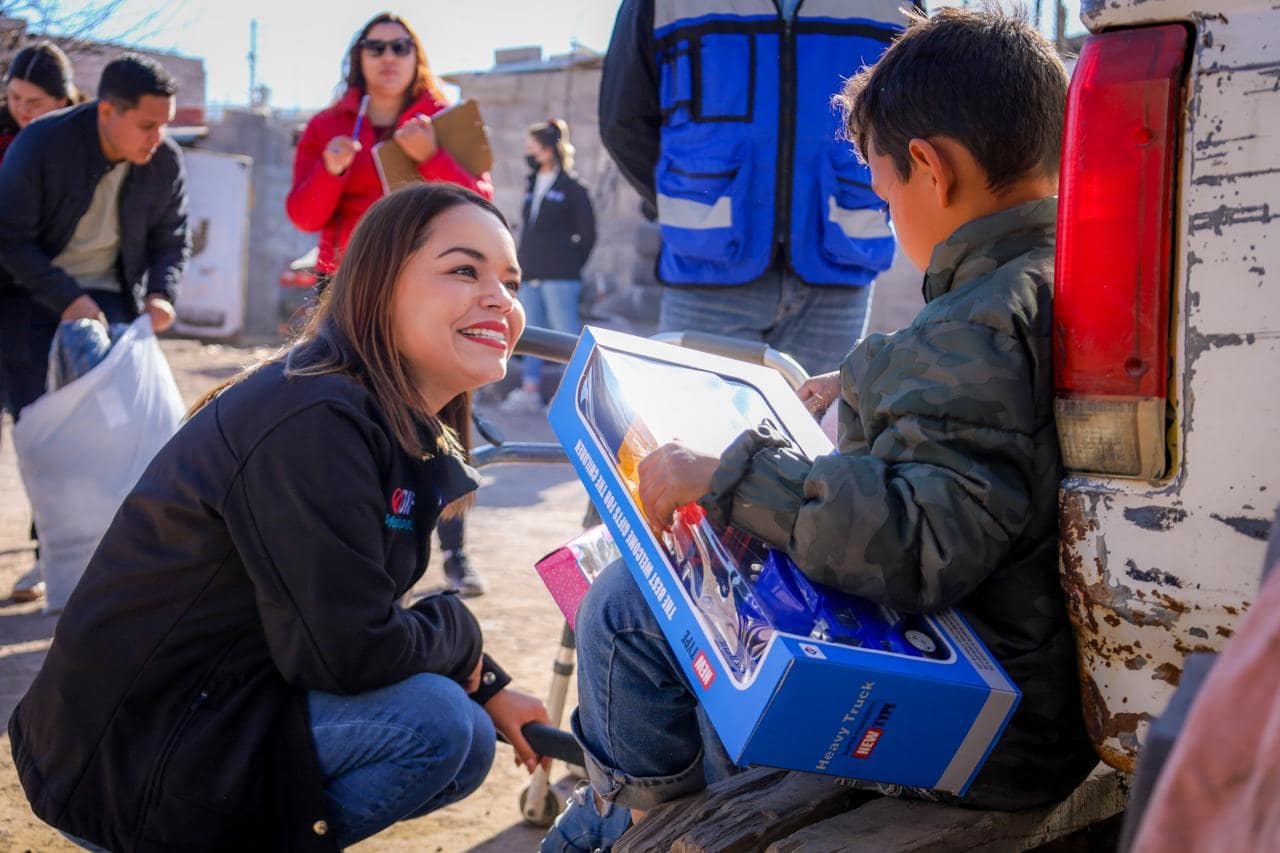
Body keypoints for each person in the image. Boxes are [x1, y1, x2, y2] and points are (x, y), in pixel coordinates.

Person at [544, 9, 1099, 851]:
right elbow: (983, 430)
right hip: (1032, 696)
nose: (889, 218)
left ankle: (630, 817)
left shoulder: (966, 329)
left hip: (979, 733)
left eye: (881, 194)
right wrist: (874, 378)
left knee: (626, 604)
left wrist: (733, 476)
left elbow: (920, 539)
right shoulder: (1052, 277)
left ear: (930, 170)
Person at [9, 183, 552, 851]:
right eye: (464, 269)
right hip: (132, 748)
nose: (501, 297)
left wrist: (487, 678)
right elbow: (349, 651)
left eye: (511, 280)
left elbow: (347, 598)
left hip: (212, 705)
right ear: (379, 284)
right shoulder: (316, 416)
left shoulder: (379, 413)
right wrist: (461, 636)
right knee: (439, 726)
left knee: (463, 735)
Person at [288, 11, 492, 596]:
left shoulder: (442, 118)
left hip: (430, 290)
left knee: (440, 414)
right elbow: (303, 215)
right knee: (344, 416)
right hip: (346, 292)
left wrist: (430, 155)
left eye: (400, 45)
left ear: (415, 55)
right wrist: (330, 170)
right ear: (358, 57)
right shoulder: (327, 127)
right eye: (374, 46)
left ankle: (454, 554)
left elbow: (478, 208)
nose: (387, 55)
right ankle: (358, 552)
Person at [598, 0, 909, 377]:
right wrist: (692, 202)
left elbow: (917, 121)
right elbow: (624, 121)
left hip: (841, 265)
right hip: (709, 271)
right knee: (693, 431)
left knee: (815, 431)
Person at [0, 53, 185, 604]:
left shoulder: (165, 162)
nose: (158, 137)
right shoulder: (41, 145)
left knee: (121, 430)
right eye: (148, 125)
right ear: (108, 111)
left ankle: (115, 562)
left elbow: (171, 238)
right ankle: (54, 556)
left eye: (165, 125)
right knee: (45, 427)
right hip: (29, 293)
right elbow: (8, 239)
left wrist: (161, 294)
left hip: (113, 298)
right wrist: (68, 299)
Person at [501, 118, 596, 415]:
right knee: (530, 333)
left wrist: (569, 262)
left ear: (549, 148)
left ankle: (575, 397)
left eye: (534, 147)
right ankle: (530, 391)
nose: (529, 153)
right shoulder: (532, 184)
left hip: (560, 276)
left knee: (566, 335)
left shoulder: (573, 188)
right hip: (531, 272)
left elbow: (588, 234)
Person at [0, 41, 82, 163]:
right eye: (15, 97)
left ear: (61, 101)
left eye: (34, 103)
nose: (23, 109)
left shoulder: (78, 147)